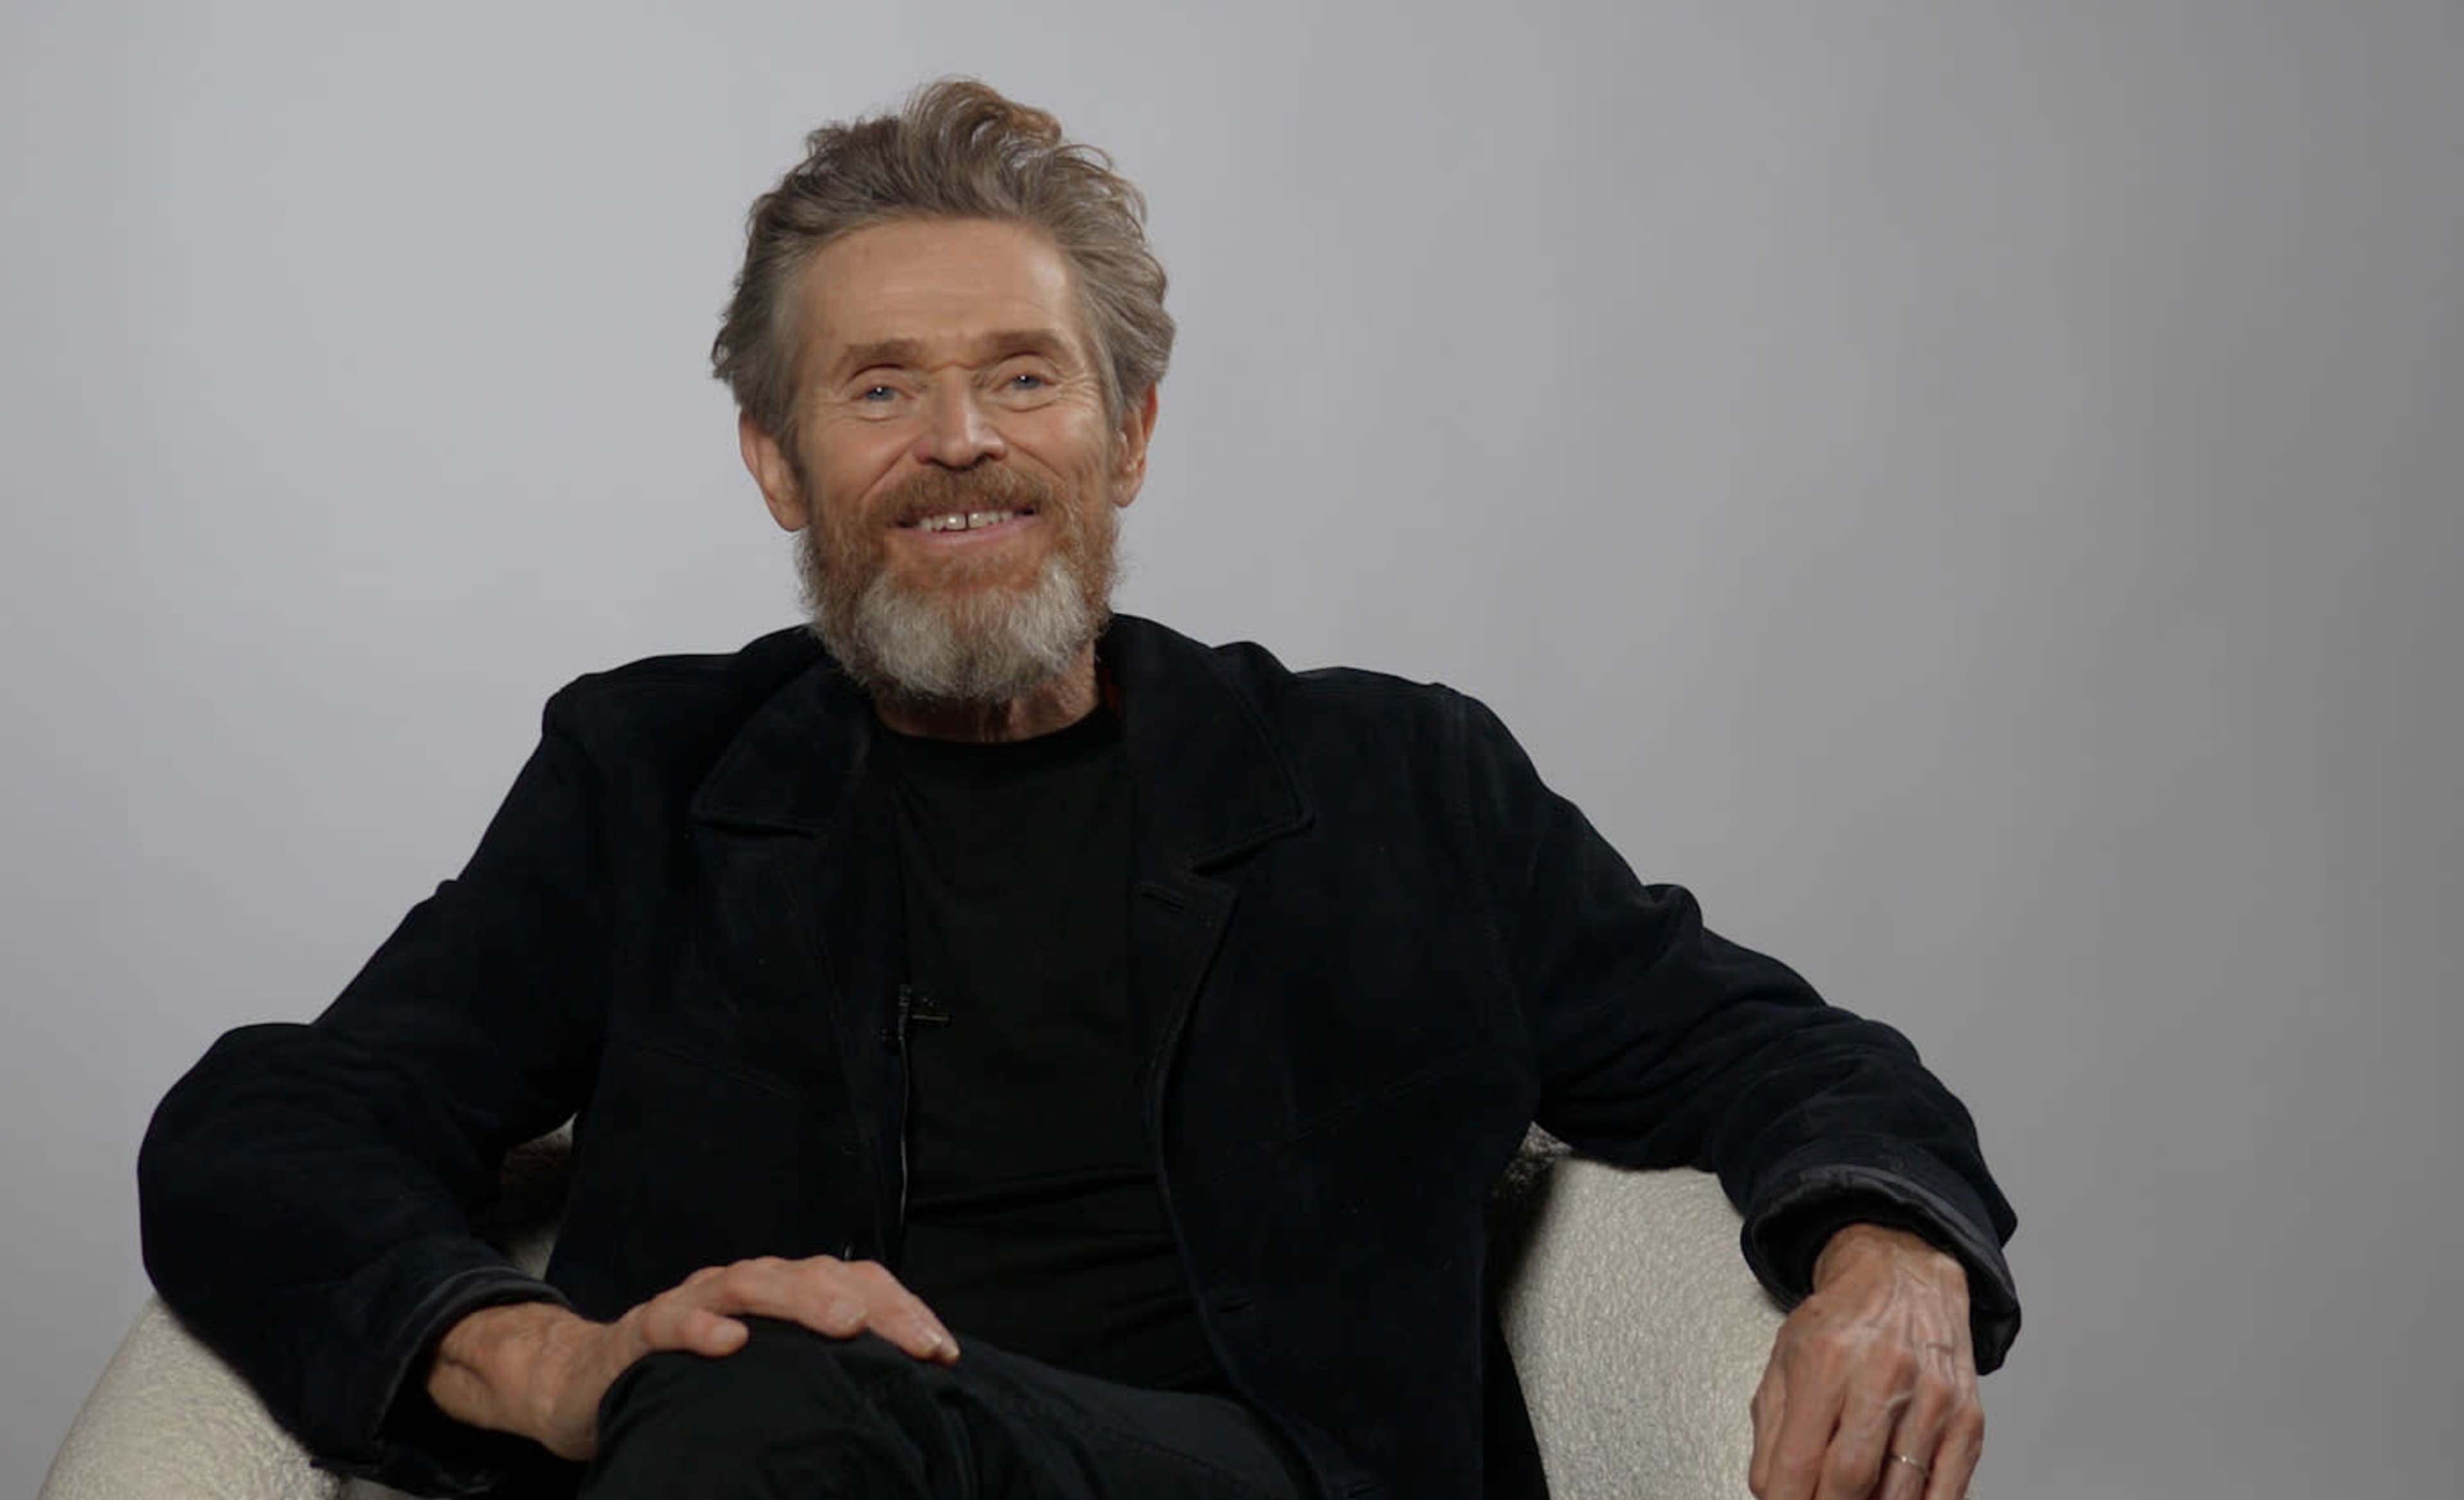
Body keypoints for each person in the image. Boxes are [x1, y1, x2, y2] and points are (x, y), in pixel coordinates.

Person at [139, 78, 2019, 1500]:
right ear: (778, 463)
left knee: (773, 1391)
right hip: (758, 1460)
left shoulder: (1391, 782)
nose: (960, 441)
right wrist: (552, 1366)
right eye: (880, 389)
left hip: (1247, 1472)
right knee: (755, 1390)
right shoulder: (648, 783)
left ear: (1126, 435)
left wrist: (1888, 1260)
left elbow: (1772, 1049)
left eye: (1024, 378)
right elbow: (272, 1126)